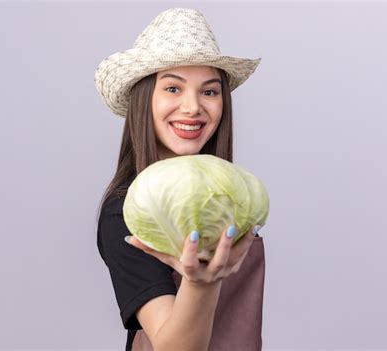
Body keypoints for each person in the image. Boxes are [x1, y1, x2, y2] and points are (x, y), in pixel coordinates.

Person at [94, 7, 265, 351]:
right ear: (145, 100)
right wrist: (201, 283)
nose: (192, 107)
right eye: (173, 88)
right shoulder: (127, 210)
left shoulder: (228, 195)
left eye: (210, 91)